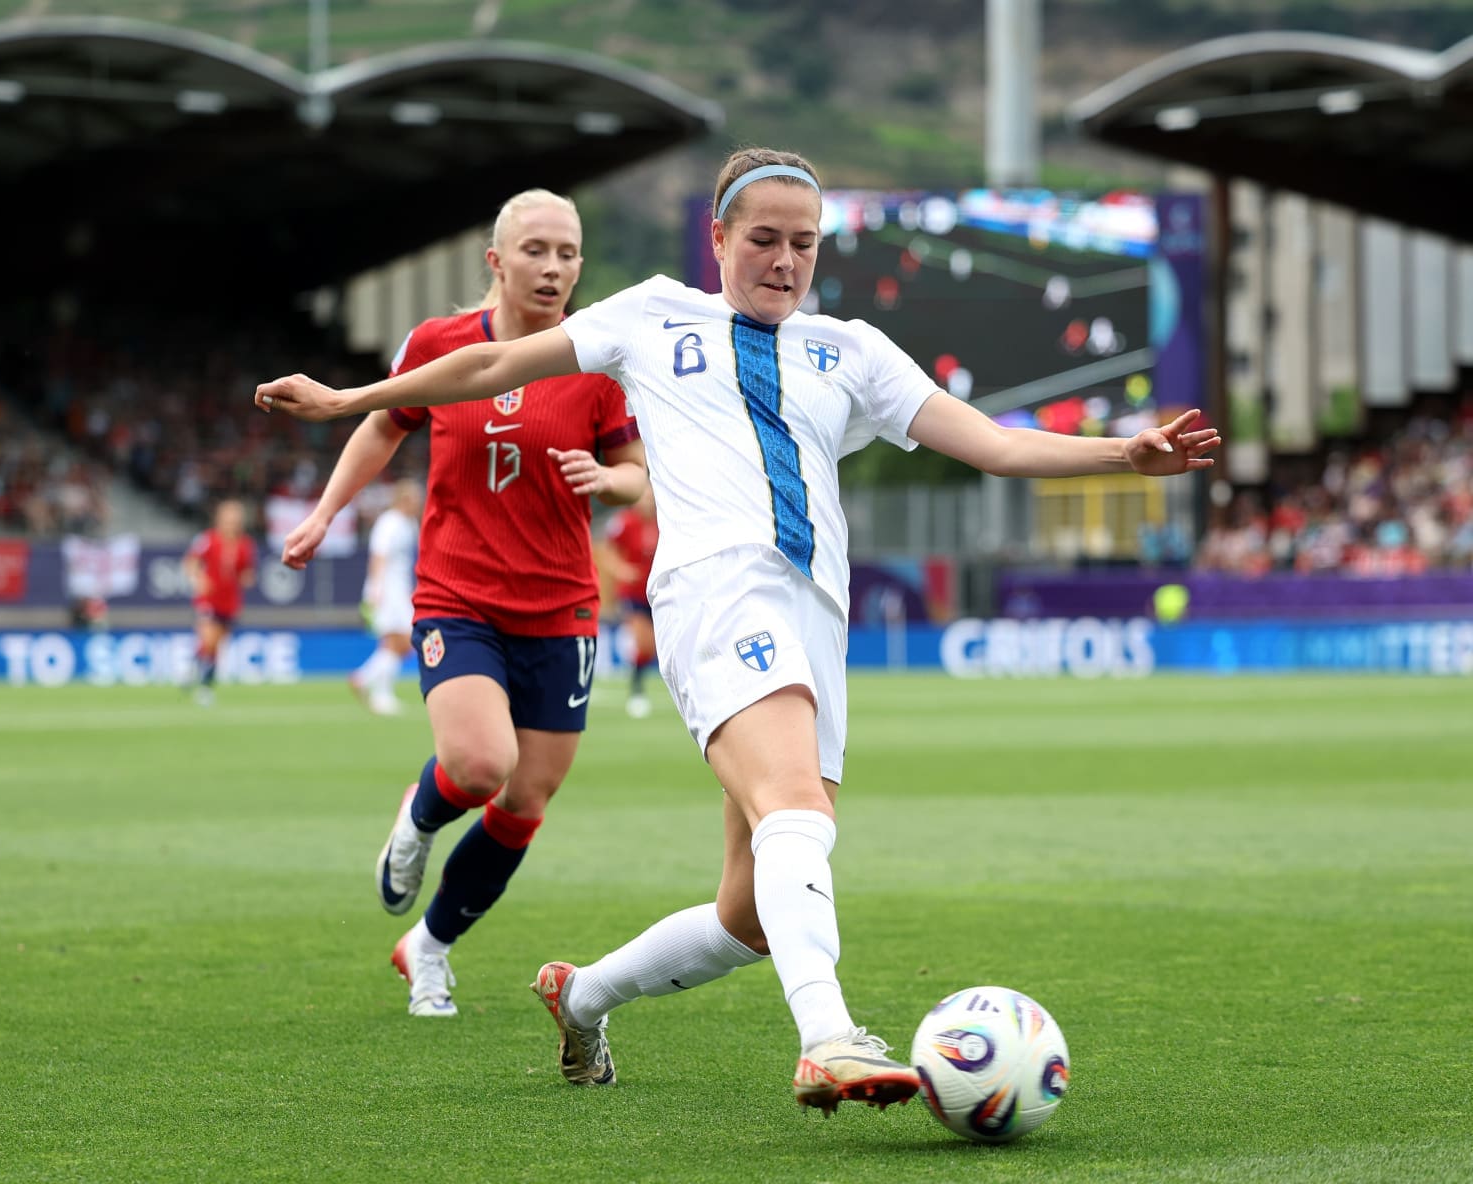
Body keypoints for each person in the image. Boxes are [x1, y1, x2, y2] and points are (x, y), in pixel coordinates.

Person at [254, 147, 1220, 1111]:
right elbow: (494, 361)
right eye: (763, 238)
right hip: (717, 596)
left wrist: (1124, 453)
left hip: (814, 618)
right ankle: (828, 1037)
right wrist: (352, 399)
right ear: (718, 238)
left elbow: (996, 443)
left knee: (751, 911)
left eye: (803, 244)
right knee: (800, 807)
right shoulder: (651, 316)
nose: (785, 261)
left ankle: (583, 996)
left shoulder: (851, 349)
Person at [277, 188, 647, 1018]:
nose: (554, 268)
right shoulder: (439, 345)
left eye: (569, 253)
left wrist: (611, 481)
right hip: (460, 598)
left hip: (561, 610)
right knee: (482, 768)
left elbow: (638, 475)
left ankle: (430, 947)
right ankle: (415, 823)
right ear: (497, 260)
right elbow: (384, 423)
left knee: (526, 802)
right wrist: (325, 511)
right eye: (536, 251)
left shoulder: (595, 359)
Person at [349, 478, 423, 716]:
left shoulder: (409, 524)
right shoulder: (389, 523)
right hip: (387, 589)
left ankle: (370, 684)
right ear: (404, 499)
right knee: (403, 640)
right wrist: (374, 590)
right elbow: (379, 557)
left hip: (401, 589)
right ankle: (372, 685)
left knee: (394, 643)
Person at [182, 498, 257, 706]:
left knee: (217, 646)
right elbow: (191, 562)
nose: (233, 520)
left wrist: (247, 578)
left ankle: (195, 672)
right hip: (209, 599)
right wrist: (198, 579)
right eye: (229, 516)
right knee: (209, 639)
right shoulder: (208, 539)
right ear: (220, 518)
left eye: (236, 517)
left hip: (230, 601)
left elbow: (246, 571)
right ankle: (203, 686)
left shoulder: (245, 544)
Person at [602, 486, 659, 718]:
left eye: (650, 496)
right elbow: (607, 550)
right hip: (634, 594)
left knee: (657, 646)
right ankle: (637, 692)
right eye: (643, 496)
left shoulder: (663, 521)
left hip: (658, 592)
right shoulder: (624, 523)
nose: (647, 500)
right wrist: (621, 569)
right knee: (643, 643)